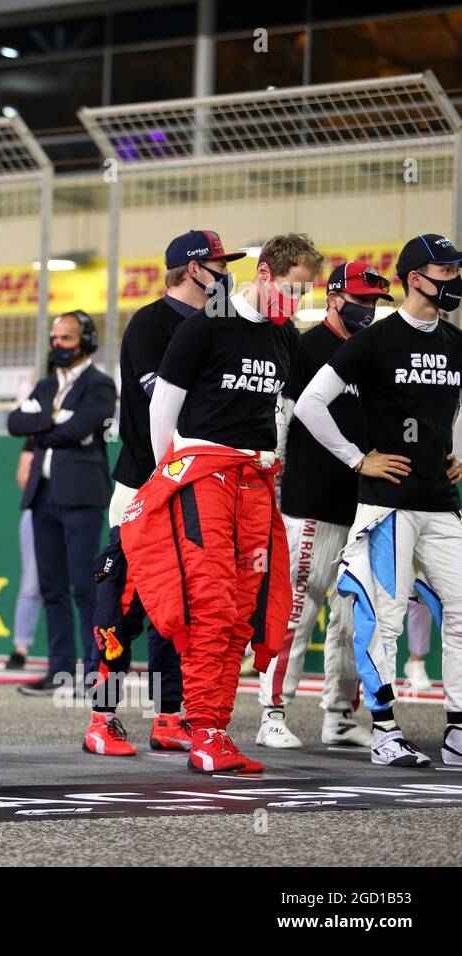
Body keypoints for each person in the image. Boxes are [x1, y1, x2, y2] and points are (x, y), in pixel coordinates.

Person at [122, 233, 321, 774]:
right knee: (209, 605)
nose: (296, 301)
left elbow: (283, 411)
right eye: (290, 288)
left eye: (305, 293)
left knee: (242, 610)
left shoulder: (287, 339)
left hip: (256, 483)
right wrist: (173, 478)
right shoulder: (204, 325)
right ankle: (202, 729)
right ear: (262, 274)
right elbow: (163, 409)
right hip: (203, 477)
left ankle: (215, 729)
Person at [297, 233, 462, 768]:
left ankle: (458, 729)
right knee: (382, 616)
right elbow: (310, 404)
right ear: (416, 279)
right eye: (446, 273)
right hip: (387, 505)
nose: (455, 281)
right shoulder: (376, 340)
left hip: (441, 501)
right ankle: (385, 730)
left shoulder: (456, 342)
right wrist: (356, 458)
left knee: (460, 612)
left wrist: (457, 453)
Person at [84, 231, 240, 755]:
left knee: (180, 608)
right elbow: (167, 406)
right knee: (121, 599)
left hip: (194, 487)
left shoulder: (223, 325)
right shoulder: (151, 324)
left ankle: (168, 714)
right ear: (191, 268)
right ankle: (101, 717)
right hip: (142, 485)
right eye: (218, 263)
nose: (226, 272)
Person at [256, 260, 392, 750]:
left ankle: (338, 713)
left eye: (375, 302)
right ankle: (272, 711)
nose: (368, 309)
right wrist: (276, 479)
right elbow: (284, 417)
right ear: (334, 297)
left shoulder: (372, 352)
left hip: (359, 503)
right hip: (310, 502)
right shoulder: (309, 346)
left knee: (352, 613)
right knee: (298, 608)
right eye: (360, 300)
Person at [8, 311, 116, 697]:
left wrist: (48, 424)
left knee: (85, 587)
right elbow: (15, 423)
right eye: (55, 337)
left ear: (85, 341)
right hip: (43, 494)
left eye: (66, 338)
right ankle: (58, 669)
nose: (58, 345)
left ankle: (94, 672)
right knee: (51, 586)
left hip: (82, 495)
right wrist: (55, 420)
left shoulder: (101, 385)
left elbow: (81, 427)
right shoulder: (45, 385)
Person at [5, 439, 42, 670]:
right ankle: (21, 648)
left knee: (80, 586)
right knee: (31, 582)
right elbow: (23, 477)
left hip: (73, 509)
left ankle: (99, 650)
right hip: (38, 511)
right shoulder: (35, 436)